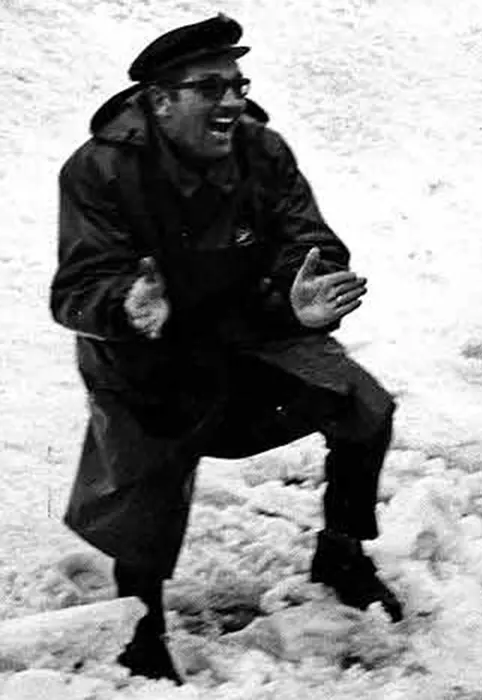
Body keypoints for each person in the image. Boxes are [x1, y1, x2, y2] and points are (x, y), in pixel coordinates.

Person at [50, 15, 402, 683]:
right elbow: (75, 289)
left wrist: (300, 290)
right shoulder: (100, 170)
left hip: (253, 332)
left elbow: (309, 240)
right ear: (161, 100)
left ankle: (343, 549)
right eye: (211, 88)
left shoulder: (263, 151)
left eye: (238, 84)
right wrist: (126, 302)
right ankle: (140, 621)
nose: (233, 102)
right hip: (149, 353)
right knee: (147, 477)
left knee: (364, 406)